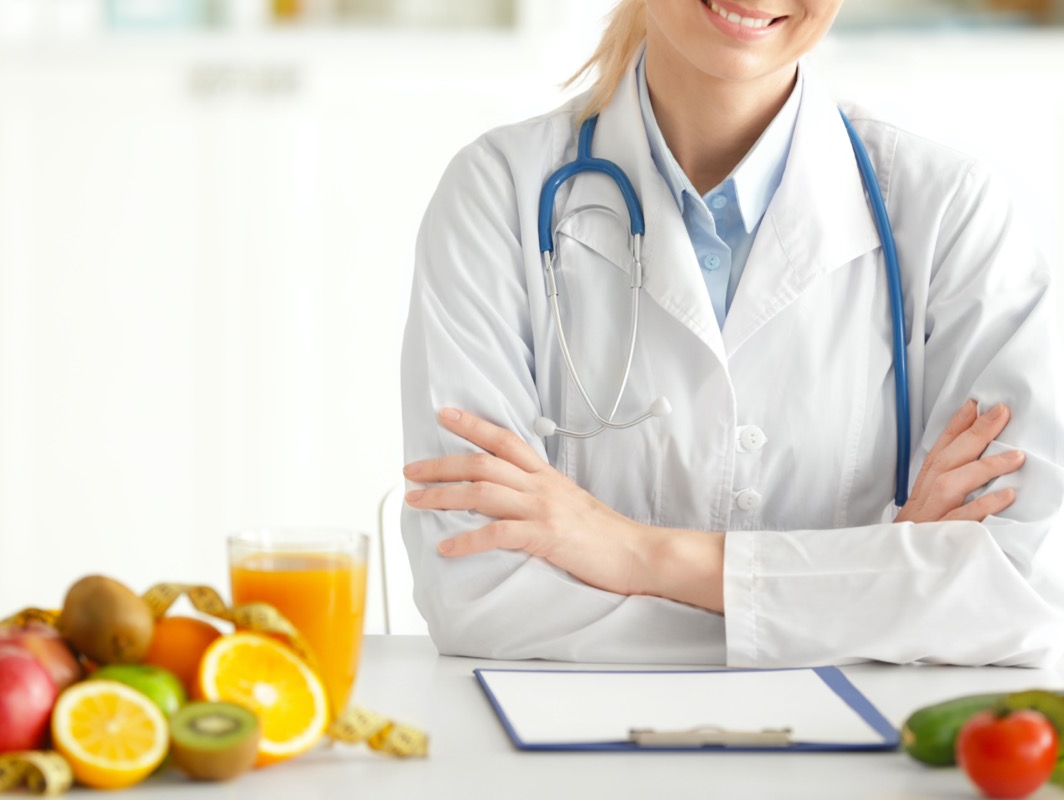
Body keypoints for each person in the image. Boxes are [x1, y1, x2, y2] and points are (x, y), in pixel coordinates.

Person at [399, 0, 1064, 667]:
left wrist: (637, 552)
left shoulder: (951, 213)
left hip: (870, 759)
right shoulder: (498, 193)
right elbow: (479, 591)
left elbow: (1012, 589)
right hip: (576, 754)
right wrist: (878, 592)